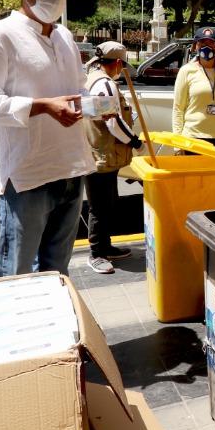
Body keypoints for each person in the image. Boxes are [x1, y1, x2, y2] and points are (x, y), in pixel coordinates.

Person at [0, 0, 94, 277]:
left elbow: (78, 89)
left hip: (71, 169)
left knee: (56, 272)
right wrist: (42, 107)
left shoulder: (64, 37)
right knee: (15, 274)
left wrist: (96, 105)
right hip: (27, 177)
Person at [82, 41, 142, 275]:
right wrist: (135, 141)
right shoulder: (104, 86)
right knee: (100, 206)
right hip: (101, 155)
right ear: (117, 63)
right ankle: (96, 253)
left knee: (107, 203)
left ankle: (105, 247)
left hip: (100, 153)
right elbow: (112, 121)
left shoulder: (91, 79)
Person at [172, 26, 215, 144]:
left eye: (212, 43)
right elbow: (178, 109)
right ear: (195, 46)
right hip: (193, 138)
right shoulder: (186, 71)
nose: (207, 46)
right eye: (202, 42)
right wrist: (178, 144)